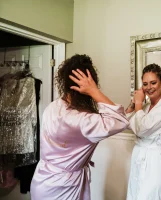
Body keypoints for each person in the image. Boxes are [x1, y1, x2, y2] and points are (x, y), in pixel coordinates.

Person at [30, 54, 129, 200]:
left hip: (42, 180)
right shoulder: (81, 121)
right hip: (63, 188)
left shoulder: (53, 107)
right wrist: (94, 91)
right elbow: (120, 120)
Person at [125, 63, 161, 200]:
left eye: (153, 83)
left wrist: (138, 104)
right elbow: (125, 123)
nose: (149, 87)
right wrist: (133, 104)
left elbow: (141, 129)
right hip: (138, 155)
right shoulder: (146, 107)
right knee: (133, 196)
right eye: (145, 84)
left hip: (154, 159)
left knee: (149, 196)